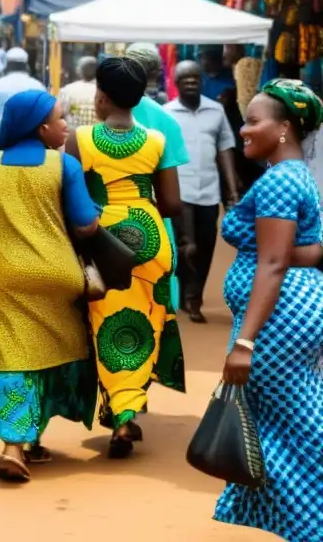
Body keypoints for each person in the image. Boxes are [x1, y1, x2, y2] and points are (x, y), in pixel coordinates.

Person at [0, 90, 100, 483]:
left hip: (8, 276)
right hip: (60, 275)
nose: (65, 126)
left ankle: (13, 447)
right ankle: (34, 439)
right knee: (51, 350)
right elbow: (84, 225)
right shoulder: (63, 166)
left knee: (13, 355)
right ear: (41, 127)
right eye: (60, 120)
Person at [214, 79, 323, 541]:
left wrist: (244, 342)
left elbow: (274, 261)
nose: (242, 130)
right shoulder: (295, 174)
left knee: (295, 431)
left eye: (253, 121)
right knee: (286, 428)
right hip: (290, 315)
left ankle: (309, 527)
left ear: (283, 129)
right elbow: (308, 250)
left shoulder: (279, 181)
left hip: (278, 321)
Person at [66, 57, 185, 458]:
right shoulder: (156, 140)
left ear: (100, 97)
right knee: (145, 321)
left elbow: (71, 197)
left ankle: (119, 415)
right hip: (150, 239)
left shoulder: (80, 139)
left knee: (105, 323)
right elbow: (172, 203)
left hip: (101, 239)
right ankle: (128, 409)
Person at [165, 61, 241, 322]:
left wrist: (231, 190)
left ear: (201, 81)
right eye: (185, 79)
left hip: (208, 191)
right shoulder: (167, 113)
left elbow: (225, 150)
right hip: (180, 190)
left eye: (194, 78)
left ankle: (194, 292)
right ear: (176, 83)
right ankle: (190, 295)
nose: (190, 83)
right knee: (188, 246)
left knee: (207, 245)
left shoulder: (216, 111)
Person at [126, 43, 191, 317]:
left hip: (105, 224)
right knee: (156, 310)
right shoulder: (166, 121)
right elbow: (172, 200)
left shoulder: (102, 114)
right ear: (155, 72)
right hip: (153, 223)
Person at [0, 47, 44, 153]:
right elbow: (46, 116)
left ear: (7, 64)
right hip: (29, 143)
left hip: (0, 142)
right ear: (26, 65)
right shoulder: (38, 87)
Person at [58, 56, 99, 129]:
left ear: (79, 71)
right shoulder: (106, 90)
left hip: (74, 137)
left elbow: (59, 114)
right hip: (98, 137)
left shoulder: (68, 90)